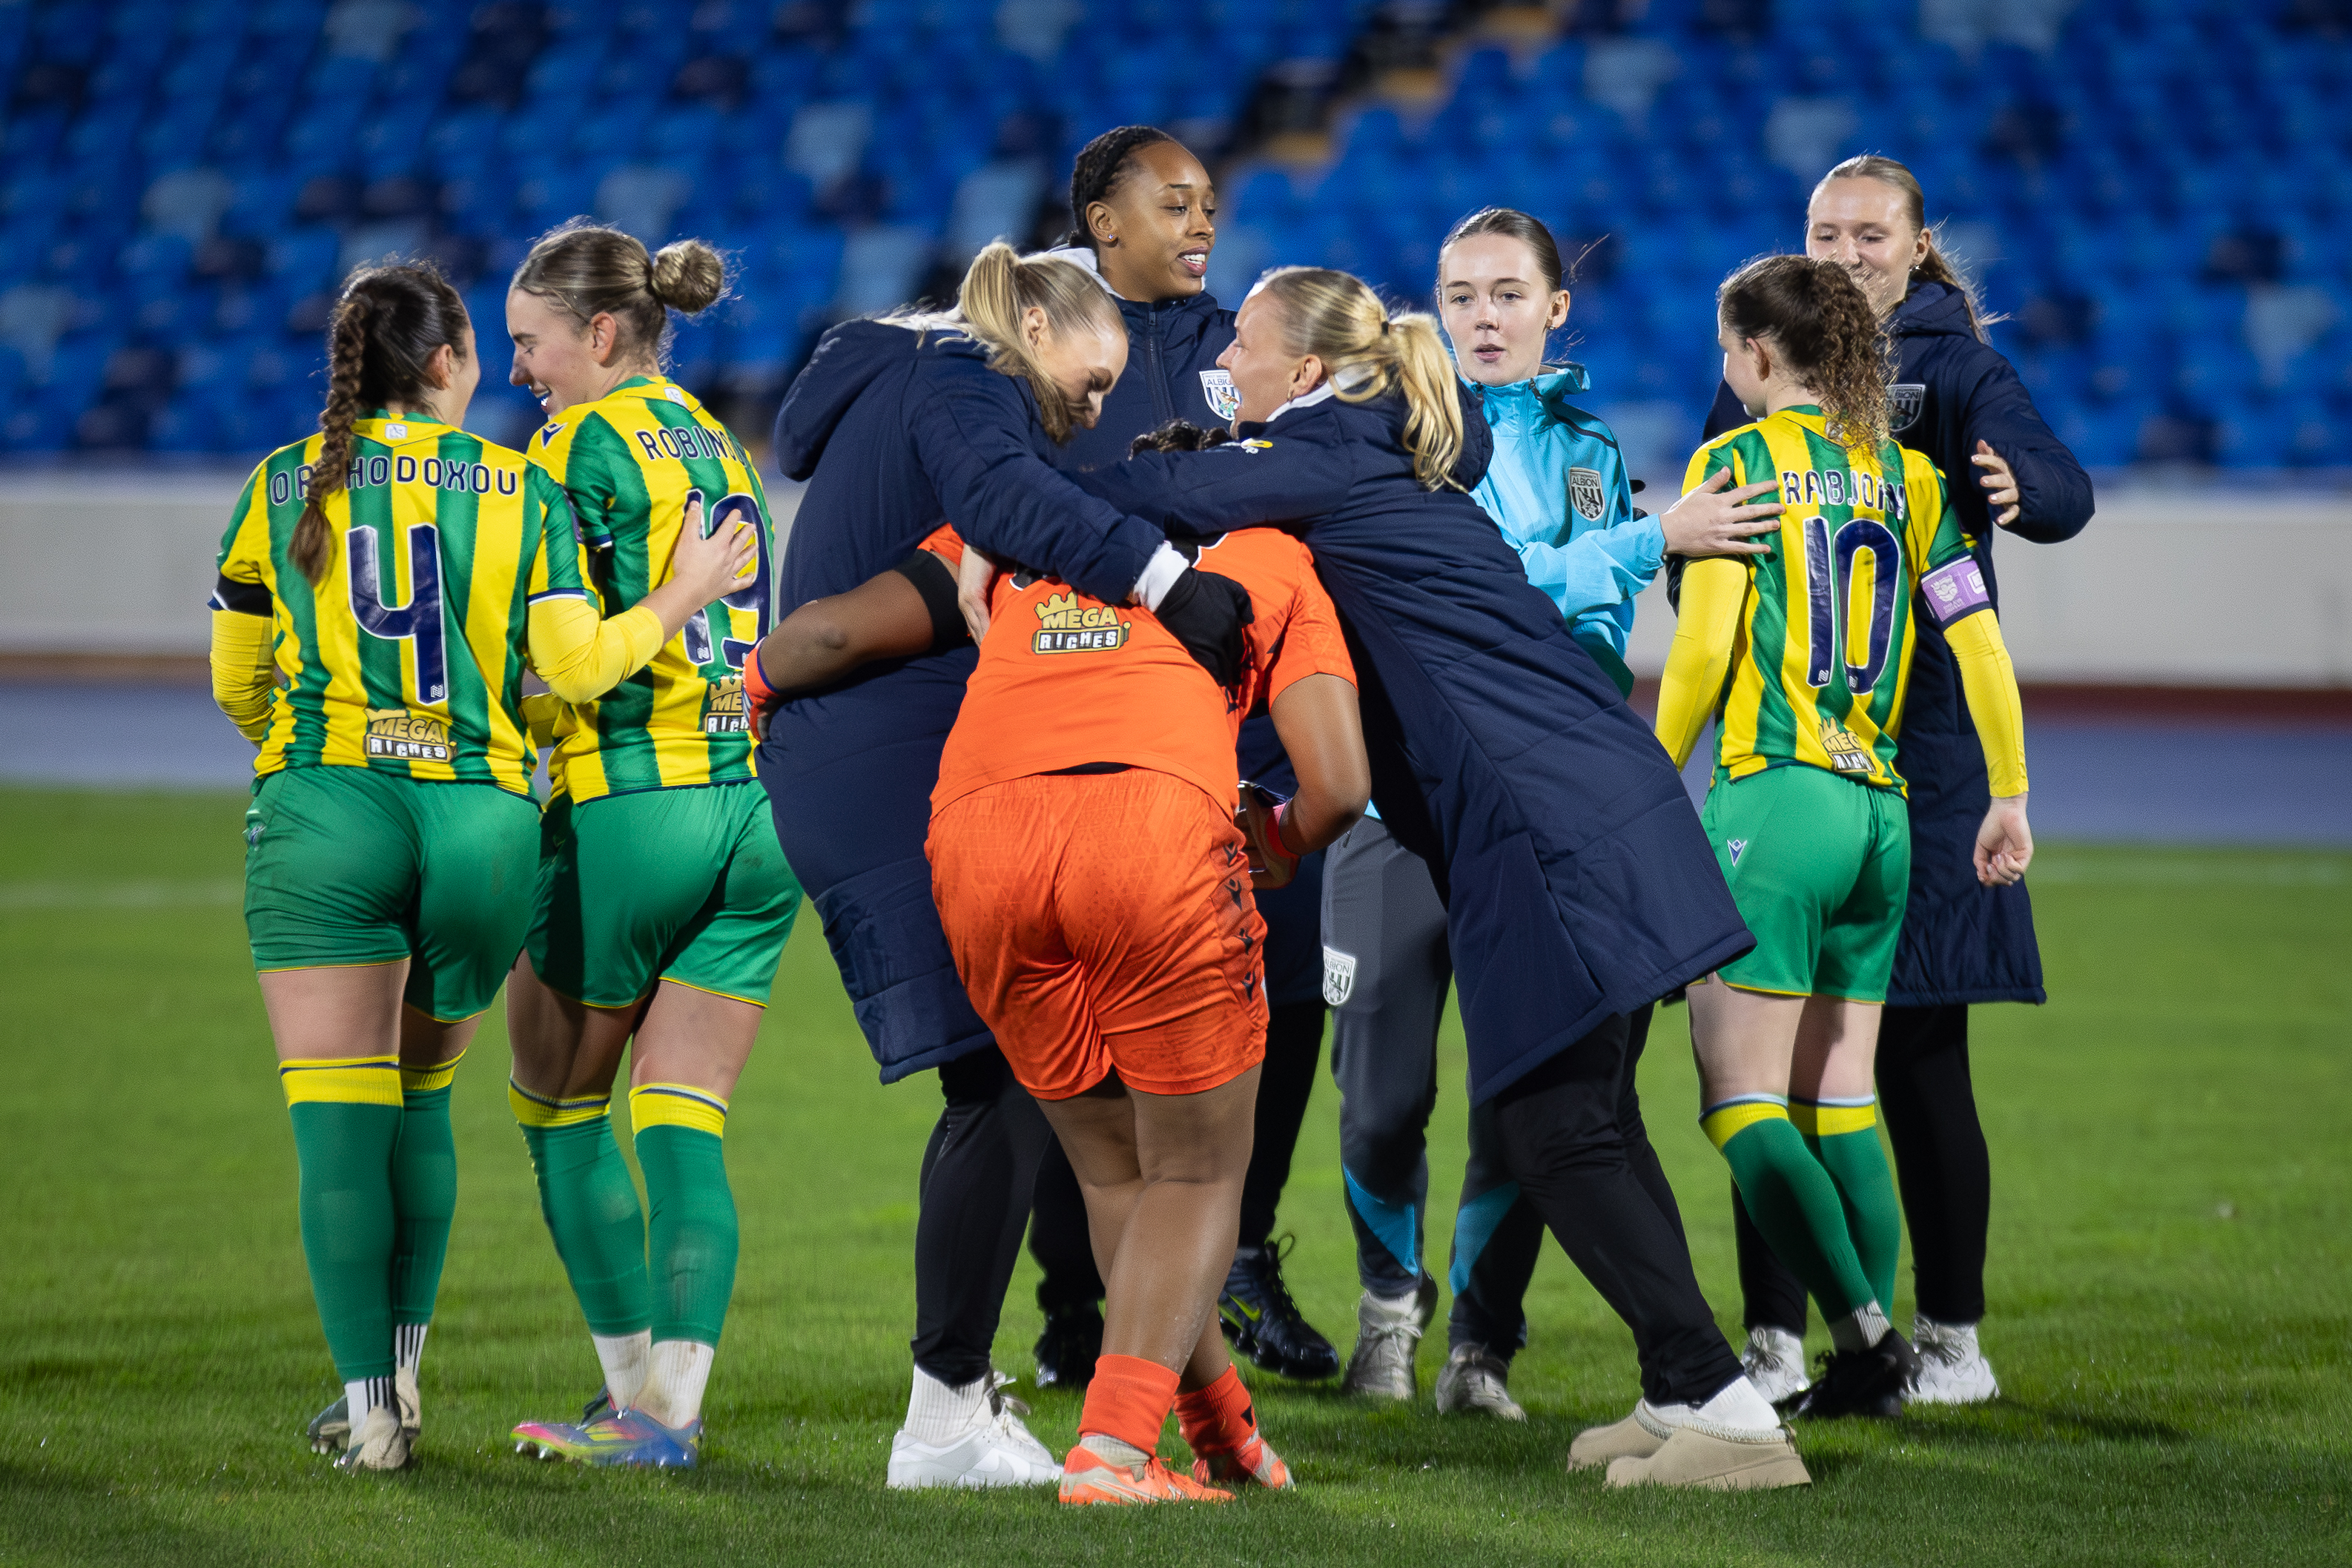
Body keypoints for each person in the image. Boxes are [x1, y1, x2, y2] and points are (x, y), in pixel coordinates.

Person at [1070, 266, 1808, 1490]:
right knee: (1594, 1116)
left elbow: (1137, 492)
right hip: (1592, 802)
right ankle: (1688, 1386)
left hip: (1544, 824)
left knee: (1555, 1124)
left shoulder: (1320, 451)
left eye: (1243, 346)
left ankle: (1728, 1416)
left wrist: (980, 480)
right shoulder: (1381, 454)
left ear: (1304, 371)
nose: (1226, 368)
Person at [211, 261, 754, 1472]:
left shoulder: (281, 481)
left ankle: (377, 1408)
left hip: (333, 808)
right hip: (488, 823)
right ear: (449, 361)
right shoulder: (519, 484)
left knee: (339, 1123)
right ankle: (598, 1392)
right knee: (424, 1099)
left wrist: (310, 769)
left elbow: (236, 681)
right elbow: (565, 666)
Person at [758, 242, 1255, 1489]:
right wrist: (1164, 576)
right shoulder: (971, 377)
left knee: (1026, 1080)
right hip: (889, 759)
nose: (1086, 415)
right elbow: (993, 500)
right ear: (1032, 320)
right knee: (1004, 1087)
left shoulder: (899, 364)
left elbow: (816, 445)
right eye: (1088, 385)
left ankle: (1035, 1385)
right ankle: (947, 1413)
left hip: (860, 760)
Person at [1324, 207, 1783, 1417]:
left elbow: (1567, 630)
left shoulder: (1589, 446)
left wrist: (1613, 568)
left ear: (1553, 308)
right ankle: (1387, 1305)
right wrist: (1642, 543)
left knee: (1527, 1090)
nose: (1484, 317)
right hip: (1395, 808)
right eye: (1461, 295)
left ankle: (1480, 1345)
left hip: (1534, 815)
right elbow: (1464, 597)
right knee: (1378, 1100)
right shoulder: (1405, 433)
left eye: (1508, 294)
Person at [1698, 156, 2093, 1406]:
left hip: (1889, 769)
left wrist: (2028, 493)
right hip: (1865, 781)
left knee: (1891, 1064)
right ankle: (1790, 1339)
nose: (1849, 248)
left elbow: (2063, 488)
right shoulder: (1780, 377)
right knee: (1829, 1071)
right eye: (1826, 230)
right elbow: (1712, 545)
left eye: (1872, 232)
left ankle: (1939, 1341)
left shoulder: (1956, 376)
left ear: (1919, 250)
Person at [1023, 124, 1341, 1388]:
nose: (1201, 222)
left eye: (1209, 202)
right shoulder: (1044, 351)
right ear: (1101, 222)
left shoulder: (1252, 346)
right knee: (1087, 1042)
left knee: (1293, 1002)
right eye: (1172, 204)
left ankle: (1242, 1255)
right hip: (1101, 733)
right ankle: (1070, 1308)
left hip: (1256, 735)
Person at [492, 222, 800, 1470]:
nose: (521, 371)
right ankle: (671, 1407)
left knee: (557, 1113)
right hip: (756, 812)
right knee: (683, 1120)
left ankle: (633, 1410)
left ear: (599, 334)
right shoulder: (715, 435)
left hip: (630, 811)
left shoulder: (570, 446)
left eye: (531, 342)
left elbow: (555, 663)